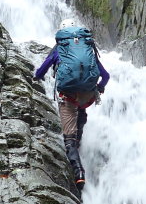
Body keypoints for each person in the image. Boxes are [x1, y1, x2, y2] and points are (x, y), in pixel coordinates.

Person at [33, 18, 110, 192]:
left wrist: (37, 77)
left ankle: (78, 172)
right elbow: (105, 76)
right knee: (81, 109)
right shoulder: (88, 47)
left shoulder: (60, 48)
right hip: (88, 95)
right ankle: (79, 138)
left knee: (69, 137)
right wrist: (99, 88)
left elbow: (43, 69)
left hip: (68, 95)